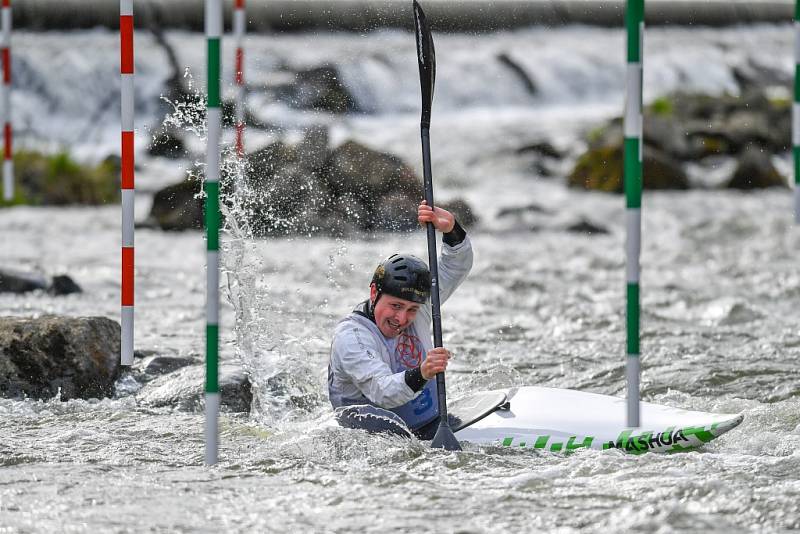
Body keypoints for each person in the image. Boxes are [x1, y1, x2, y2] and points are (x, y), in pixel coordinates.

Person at [328, 200, 473, 439]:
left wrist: (451, 229)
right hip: (375, 440)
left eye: (412, 309)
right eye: (395, 306)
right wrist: (424, 372)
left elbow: (455, 268)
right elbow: (382, 391)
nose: (402, 318)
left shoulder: (421, 309)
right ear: (374, 293)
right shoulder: (351, 338)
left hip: (432, 424)